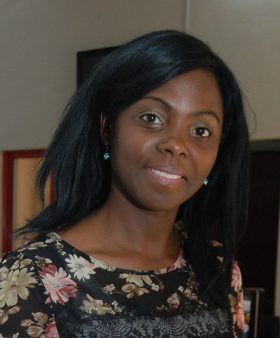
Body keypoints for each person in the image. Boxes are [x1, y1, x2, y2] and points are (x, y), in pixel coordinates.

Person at [0, 30, 248, 337]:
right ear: (108, 126)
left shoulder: (217, 268)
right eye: (152, 117)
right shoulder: (32, 277)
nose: (176, 144)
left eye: (201, 131)